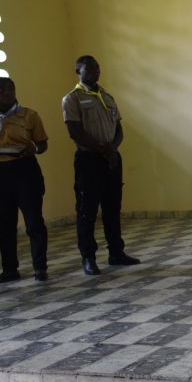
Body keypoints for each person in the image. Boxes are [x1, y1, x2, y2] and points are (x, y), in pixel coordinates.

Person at [63, 56, 140, 275]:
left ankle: (116, 252)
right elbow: (74, 131)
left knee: (112, 207)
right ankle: (88, 257)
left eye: (97, 67)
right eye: (89, 68)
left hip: (111, 158)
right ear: (78, 71)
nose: (95, 71)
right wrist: (103, 150)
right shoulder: (72, 99)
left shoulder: (107, 96)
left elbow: (119, 128)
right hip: (89, 159)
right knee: (87, 210)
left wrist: (112, 149)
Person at [0, 77, 49, 282]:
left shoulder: (29, 115)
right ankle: (10, 269)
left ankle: (40, 267)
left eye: (10, 88)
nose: (7, 92)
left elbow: (42, 144)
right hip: (1, 173)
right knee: (4, 224)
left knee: (34, 222)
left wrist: (34, 148)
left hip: (25, 170)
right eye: (2, 89)